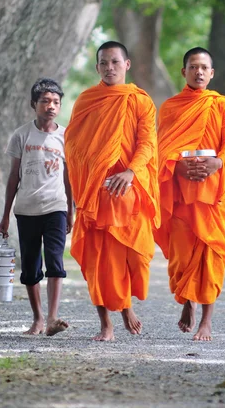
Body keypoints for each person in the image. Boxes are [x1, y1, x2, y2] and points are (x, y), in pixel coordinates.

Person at [64, 41, 160, 342]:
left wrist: (130, 172)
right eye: (103, 63)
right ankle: (106, 325)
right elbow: (73, 147)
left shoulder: (140, 101)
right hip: (96, 193)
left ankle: (126, 304)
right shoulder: (87, 100)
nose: (109, 68)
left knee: (135, 258)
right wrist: (91, 173)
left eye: (115, 62)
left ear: (127, 65)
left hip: (129, 191)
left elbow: (147, 143)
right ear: (97, 67)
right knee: (99, 262)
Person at [155, 47, 225, 342]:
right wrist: (177, 168)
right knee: (182, 257)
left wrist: (218, 162)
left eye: (204, 67)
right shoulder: (171, 107)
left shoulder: (222, 105)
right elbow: (162, 149)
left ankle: (206, 321)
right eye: (193, 67)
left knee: (210, 255)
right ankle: (187, 302)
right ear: (184, 72)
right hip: (182, 196)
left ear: (212, 72)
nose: (199, 72)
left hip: (212, 194)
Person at [0, 78, 73, 336]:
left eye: (55, 102)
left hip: (56, 207)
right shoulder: (21, 135)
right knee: (30, 267)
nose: (50, 106)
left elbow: (68, 177)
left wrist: (71, 212)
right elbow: (13, 177)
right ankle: (38, 319)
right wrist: (5, 215)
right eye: (45, 101)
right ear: (34, 104)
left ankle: (52, 318)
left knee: (55, 261)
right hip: (26, 209)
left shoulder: (66, 136)